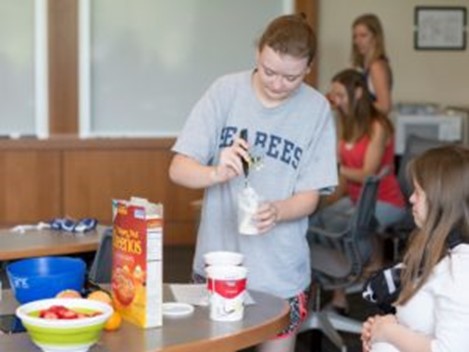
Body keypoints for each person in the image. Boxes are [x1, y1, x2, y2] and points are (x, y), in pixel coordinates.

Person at [169, 14, 338, 352]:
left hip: (280, 271)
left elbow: (310, 196)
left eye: (291, 77)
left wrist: (278, 210)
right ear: (257, 55)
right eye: (268, 71)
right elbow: (178, 169)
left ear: (308, 69)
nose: (277, 84)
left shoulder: (316, 109)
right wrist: (215, 173)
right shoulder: (225, 92)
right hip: (217, 264)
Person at [309, 68, 405, 314]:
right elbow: (343, 175)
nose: (335, 100)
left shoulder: (378, 125)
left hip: (386, 201)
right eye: (333, 94)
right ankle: (335, 278)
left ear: (358, 92)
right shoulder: (347, 124)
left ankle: (341, 294)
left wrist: (337, 169)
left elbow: (366, 173)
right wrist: (325, 197)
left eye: (340, 94)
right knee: (319, 218)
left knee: (341, 227)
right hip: (355, 199)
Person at [361, 145, 469, 352]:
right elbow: (427, 323)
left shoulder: (462, 270)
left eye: (418, 193)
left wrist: (388, 333)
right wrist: (381, 329)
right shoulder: (436, 249)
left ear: (442, 201)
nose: (411, 199)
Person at [351, 13, 393, 115]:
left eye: (363, 36)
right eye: (355, 36)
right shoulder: (364, 66)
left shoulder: (376, 67)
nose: (357, 41)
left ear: (375, 37)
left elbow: (385, 106)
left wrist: (354, 103)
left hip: (374, 126)